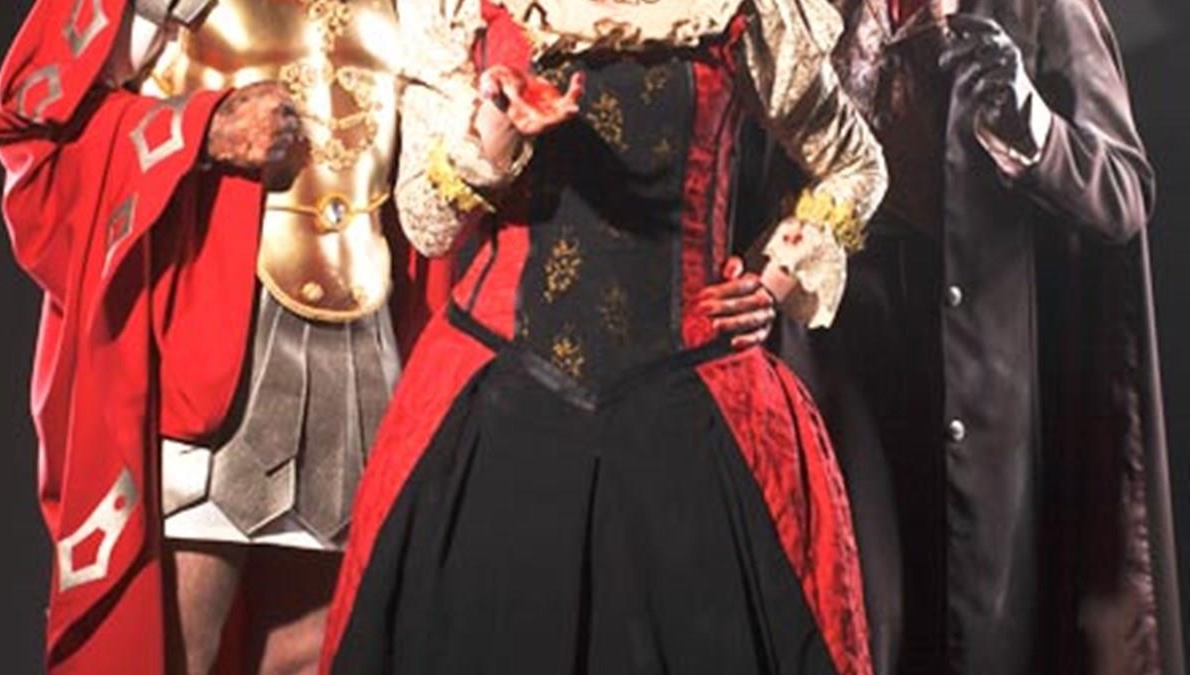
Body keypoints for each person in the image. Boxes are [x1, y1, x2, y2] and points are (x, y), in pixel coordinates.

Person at [321, 0, 888, 672]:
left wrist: (778, 274)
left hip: (692, 418)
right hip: (501, 407)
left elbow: (855, 164)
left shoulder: (743, 12)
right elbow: (427, 224)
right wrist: (495, 133)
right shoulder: (467, 11)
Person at [0, 0, 449, 670]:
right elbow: (36, 121)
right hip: (212, 331)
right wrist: (201, 128)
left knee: (313, 648)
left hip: (362, 331)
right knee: (175, 644)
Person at [749, 0, 1185, 672]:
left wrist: (1032, 122)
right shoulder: (805, 10)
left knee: (978, 624)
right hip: (839, 353)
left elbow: (1123, 192)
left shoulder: (1043, 8)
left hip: (977, 357)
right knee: (856, 614)